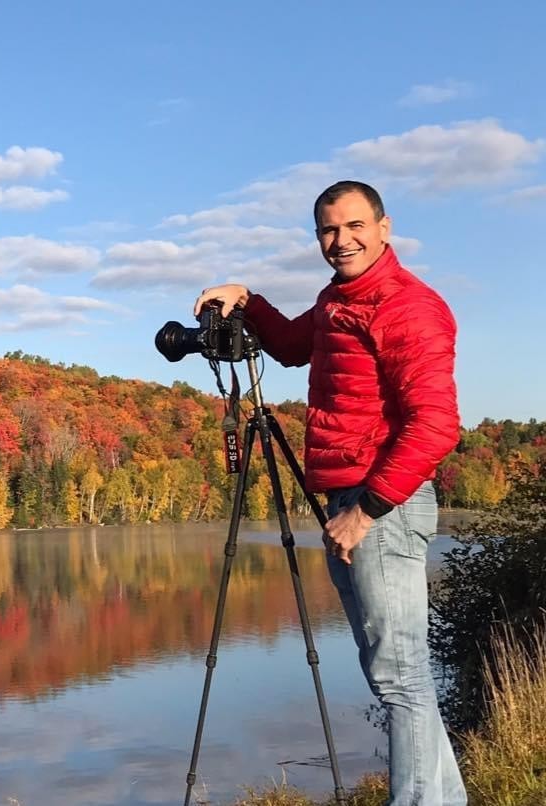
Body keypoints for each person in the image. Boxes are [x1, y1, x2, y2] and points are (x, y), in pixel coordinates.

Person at [194, 180, 467, 806]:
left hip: (381, 506)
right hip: (352, 501)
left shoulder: (406, 307)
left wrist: (367, 512)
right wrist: (248, 300)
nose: (340, 241)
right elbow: (293, 347)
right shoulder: (340, 300)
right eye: (327, 230)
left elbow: (435, 426)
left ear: (385, 227)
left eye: (353, 227)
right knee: (399, 677)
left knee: (400, 679)